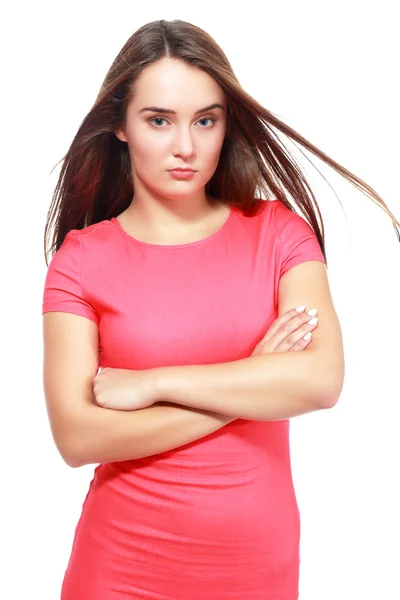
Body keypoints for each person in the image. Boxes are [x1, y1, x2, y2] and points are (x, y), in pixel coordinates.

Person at [41, 19, 400, 600]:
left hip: (256, 577)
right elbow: (78, 437)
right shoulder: (81, 261)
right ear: (120, 127)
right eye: (159, 120)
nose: (186, 146)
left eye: (205, 120)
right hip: (119, 573)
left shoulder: (279, 235)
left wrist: (154, 383)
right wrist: (250, 383)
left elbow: (321, 380)